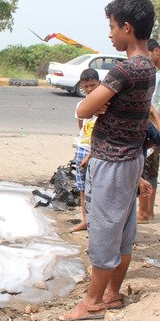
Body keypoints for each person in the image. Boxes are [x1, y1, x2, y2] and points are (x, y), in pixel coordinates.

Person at [60, 0, 156, 321]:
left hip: (113, 164)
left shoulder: (125, 70)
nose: (110, 33)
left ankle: (92, 302)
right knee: (124, 230)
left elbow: (83, 108)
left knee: (103, 231)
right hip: (130, 160)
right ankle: (113, 294)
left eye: (112, 26)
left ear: (127, 28)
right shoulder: (149, 67)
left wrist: (97, 106)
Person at [70, 68, 100, 232]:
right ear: (82, 86)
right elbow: (81, 126)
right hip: (82, 148)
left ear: (99, 83)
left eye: (93, 85)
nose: (89, 89)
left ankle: (97, 222)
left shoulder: (105, 104)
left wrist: (92, 152)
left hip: (97, 152)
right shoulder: (81, 105)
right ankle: (85, 220)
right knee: (82, 187)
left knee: (97, 188)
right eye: (86, 86)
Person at [138, 39, 160, 222]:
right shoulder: (154, 73)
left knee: (148, 169)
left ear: (157, 52)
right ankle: (147, 212)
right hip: (151, 126)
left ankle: (145, 213)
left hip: (154, 127)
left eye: (148, 54)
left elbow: (154, 109)